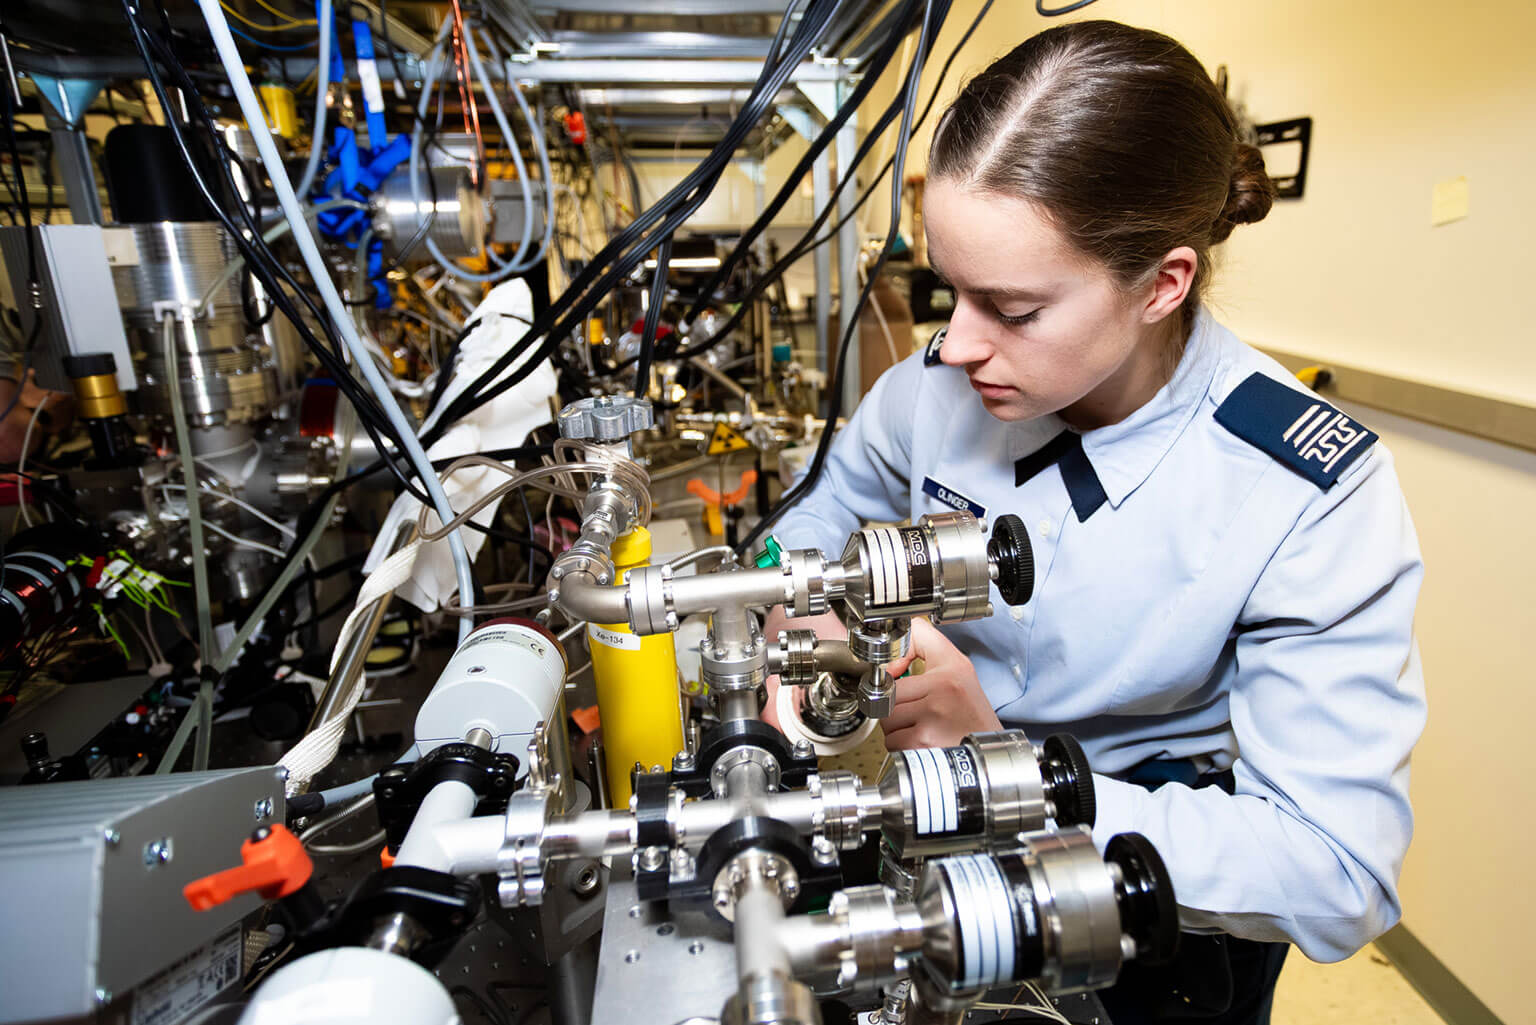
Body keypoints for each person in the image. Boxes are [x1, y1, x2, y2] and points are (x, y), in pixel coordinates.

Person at [762, 20, 1426, 1025]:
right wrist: (804, 606)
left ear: (1163, 283)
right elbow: (820, 512)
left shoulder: (1305, 491)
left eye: (1014, 308)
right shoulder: (928, 394)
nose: (956, 344)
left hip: (1151, 920)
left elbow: (1336, 874)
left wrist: (1006, 773)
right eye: (951, 290)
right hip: (930, 845)